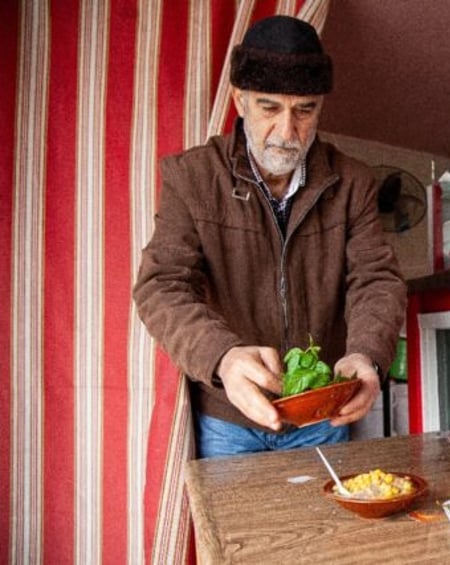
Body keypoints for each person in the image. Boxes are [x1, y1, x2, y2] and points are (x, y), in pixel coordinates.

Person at [133, 15, 407, 458]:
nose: (286, 132)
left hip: (322, 412)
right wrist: (222, 357)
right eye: (269, 108)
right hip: (229, 415)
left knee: (320, 528)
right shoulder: (192, 177)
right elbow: (161, 285)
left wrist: (367, 356)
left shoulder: (353, 181)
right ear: (240, 101)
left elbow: (375, 278)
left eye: (304, 110)